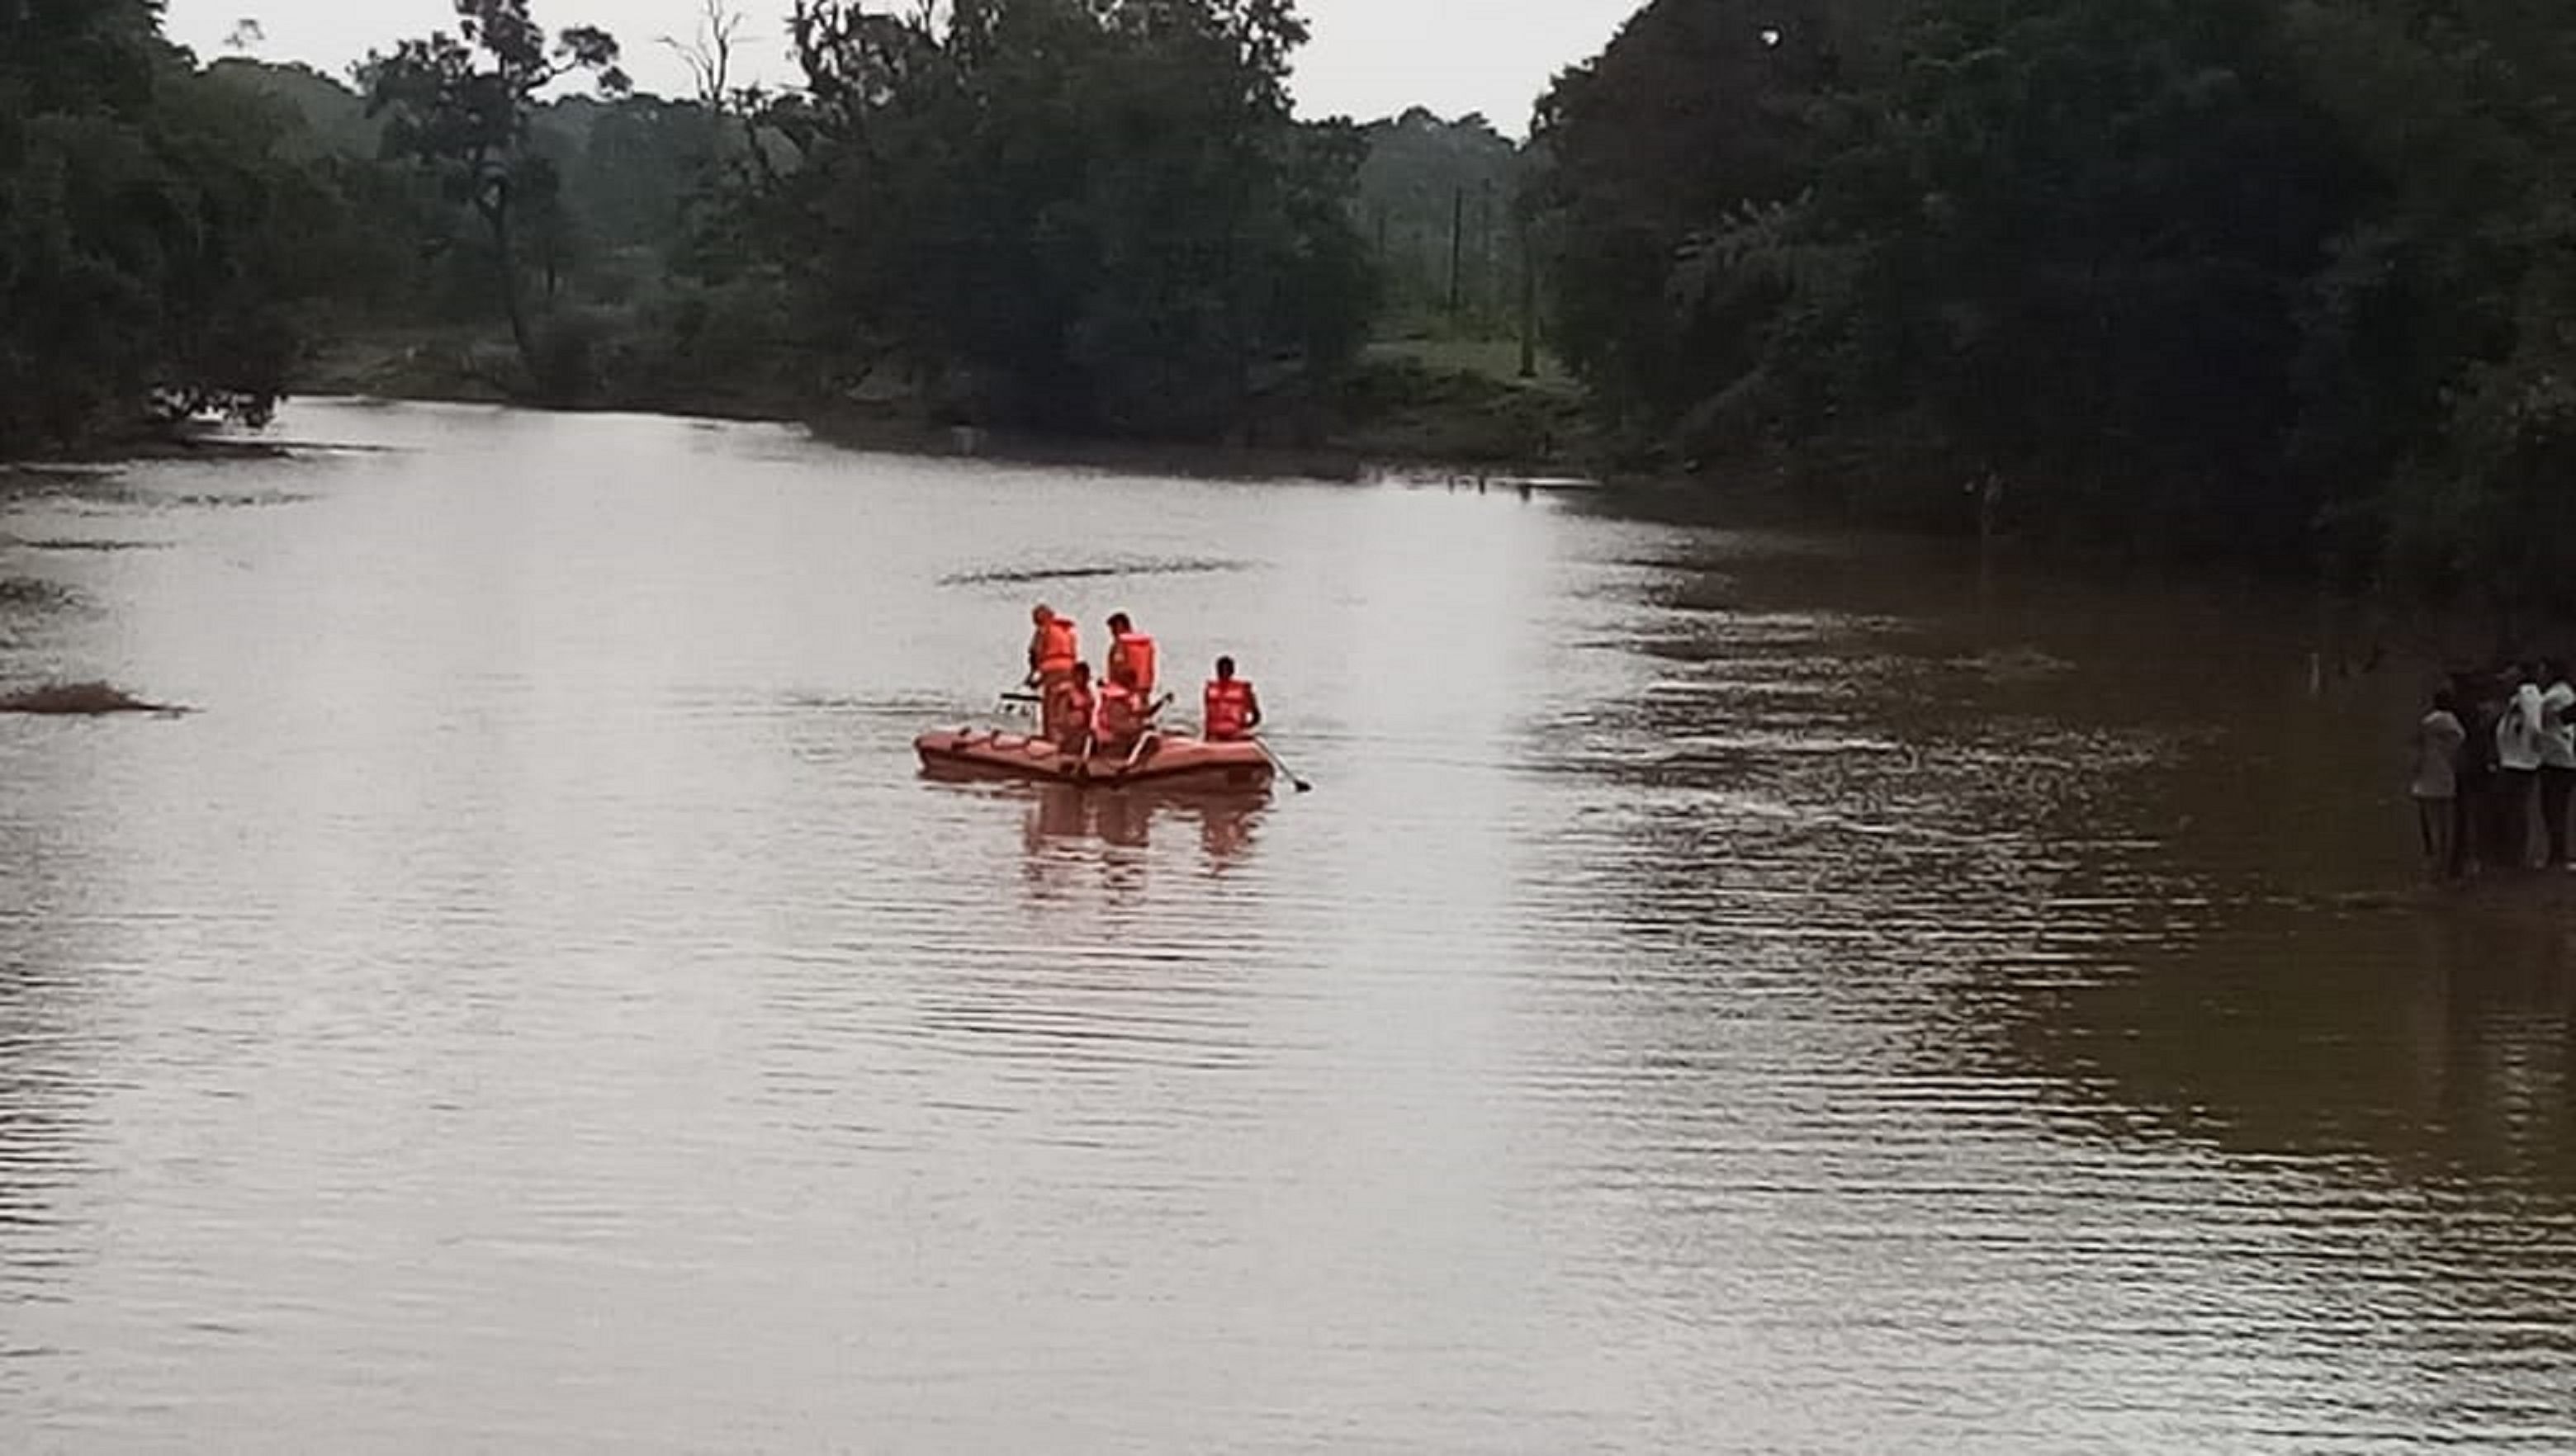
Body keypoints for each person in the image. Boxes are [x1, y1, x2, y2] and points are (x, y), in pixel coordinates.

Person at [2411, 687, 2467, 882]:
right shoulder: (2456, 726)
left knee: (2431, 824)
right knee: (2445, 826)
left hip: (2427, 778)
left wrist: (2413, 773)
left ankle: (2433, 868)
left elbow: (2417, 752)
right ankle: (2445, 864)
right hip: (2447, 777)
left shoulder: (2428, 723)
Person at [2494, 662, 2546, 869]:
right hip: (2511, 759)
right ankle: (2512, 853)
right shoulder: (2517, 696)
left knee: (2515, 809)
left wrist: (2533, 743)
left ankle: (2517, 855)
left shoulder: (2529, 693)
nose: (2506, 679)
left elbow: (2534, 723)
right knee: (2511, 809)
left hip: (2520, 762)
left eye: (2510, 674)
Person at [2543, 658, 2576, 867]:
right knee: (2555, 807)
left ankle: (2558, 853)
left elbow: (2539, 714)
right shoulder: (2565, 694)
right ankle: (2557, 852)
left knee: (2554, 807)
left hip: (2559, 759)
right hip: (2559, 757)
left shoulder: (2557, 695)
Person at [1201, 656, 1263, 742]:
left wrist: (1245, 728)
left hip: (1236, 734)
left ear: (1232, 671)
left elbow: (1256, 716)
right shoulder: (1210, 690)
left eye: (1227, 670)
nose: (1224, 673)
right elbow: (1208, 714)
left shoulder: (1243, 689)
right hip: (1214, 734)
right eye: (1221, 670)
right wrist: (1206, 736)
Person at [1044, 661, 1097, 754]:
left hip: (1084, 733)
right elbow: (1061, 719)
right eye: (1081, 676)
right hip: (1069, 735)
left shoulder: (1089, 693)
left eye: (1085, 676)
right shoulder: (1067, 695)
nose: (1083, 679)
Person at [1106, 612, 1158, 699]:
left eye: (1114, 629)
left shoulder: (1119, 645)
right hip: (1144, 688)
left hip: (1123, 693)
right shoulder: (1144, 643)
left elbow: (1118, 667)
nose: (1112, 632)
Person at [1027, 605, 1079, 693]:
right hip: (1069, 667)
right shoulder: (1067, 630)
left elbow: (1036, 652)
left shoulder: (1043, 630)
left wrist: (1033, 674)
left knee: (1050, 696)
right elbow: (1074, 651)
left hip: (1050, 668)